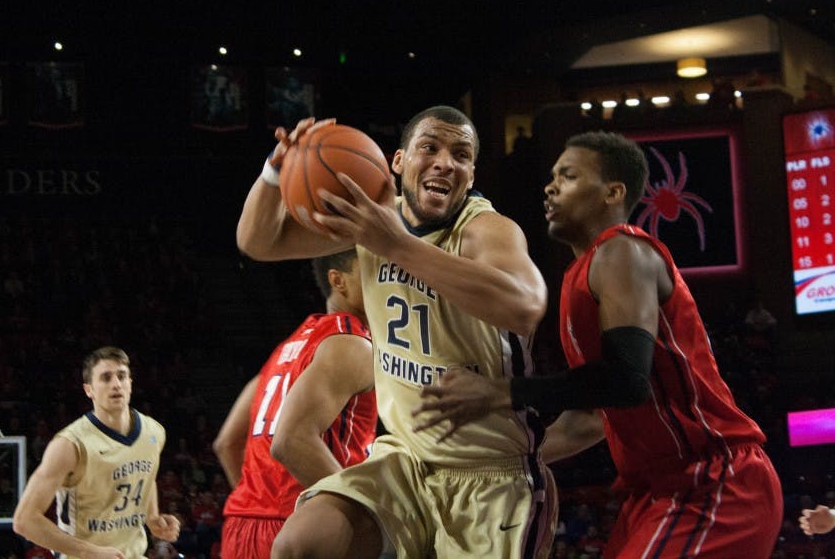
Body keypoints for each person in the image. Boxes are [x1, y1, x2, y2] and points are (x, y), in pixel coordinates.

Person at [415, 131, 783, 557]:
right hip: (656, 492)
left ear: (613, 192)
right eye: (552, 176)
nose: (550, 186)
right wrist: (504, 465)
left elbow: (627, 381)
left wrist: (498, 393)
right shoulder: (580, 275)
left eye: (568, 176)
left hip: (713, 482)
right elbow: (590, 418)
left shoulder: (623, 250)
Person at [236, 106, 555, 557]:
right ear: (399, 161)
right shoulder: (373, 218)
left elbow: (525, 307)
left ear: (470, 173)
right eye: (431, 147)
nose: (446, 161)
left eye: (460, 154)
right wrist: (274, 172)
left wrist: (396, 245)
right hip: (404, 458)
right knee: (301, 543)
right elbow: (258, 241)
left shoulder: (485, 230)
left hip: (490, 473)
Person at [212, 249, 377, 558]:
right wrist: (358, 515)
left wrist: (259, 504)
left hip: (241, 527)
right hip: (299, 526)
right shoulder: (351, 343)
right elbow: (291, 441)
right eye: (373, 270)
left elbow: (227, 443)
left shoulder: (289, 346)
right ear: (338, 281)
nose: (386, 280)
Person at [13, 346, 181, 559]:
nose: (116, 384)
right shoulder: (69, 444)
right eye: (106, 378)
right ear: (88, 389)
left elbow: (145, 477)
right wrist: (91, 552)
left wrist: (153, 518)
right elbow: (24, 520)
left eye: (121, 376)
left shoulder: (153, 432)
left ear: (130, 383)